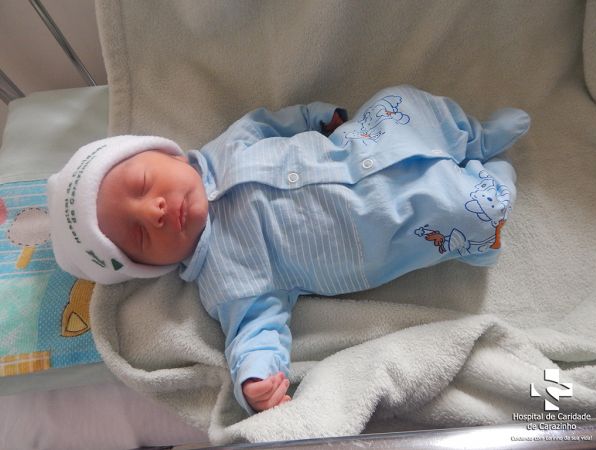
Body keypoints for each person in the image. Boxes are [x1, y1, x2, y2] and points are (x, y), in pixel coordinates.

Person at [48, 85, 530, 414]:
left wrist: (319, 118)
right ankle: (495, 176)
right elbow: (255, 330)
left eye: (143, 182)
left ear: (162, 153)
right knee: (471, 211)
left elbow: (270, 123)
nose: (153, 210)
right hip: (387, 225)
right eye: (138, 236)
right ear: (149, 266)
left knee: (404, 104)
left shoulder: (226, 146)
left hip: (364, 145)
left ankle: (478, 135)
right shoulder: (225, 280)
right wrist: (254, 379)